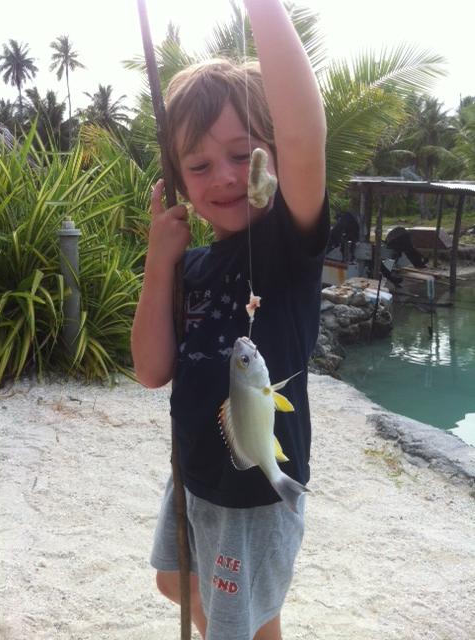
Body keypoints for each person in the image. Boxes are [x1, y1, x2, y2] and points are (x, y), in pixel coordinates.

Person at [131, 0, 329, 637]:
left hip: (251, 496)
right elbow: (150, 370)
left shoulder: (286, 248)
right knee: (176, 582)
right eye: (198, 165)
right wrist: (160, 261)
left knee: (239, 623)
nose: (223, 177)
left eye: (243, 155)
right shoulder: (189, 268)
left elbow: (305, 137)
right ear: (179, 181)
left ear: (274, 157)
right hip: (195, 476)